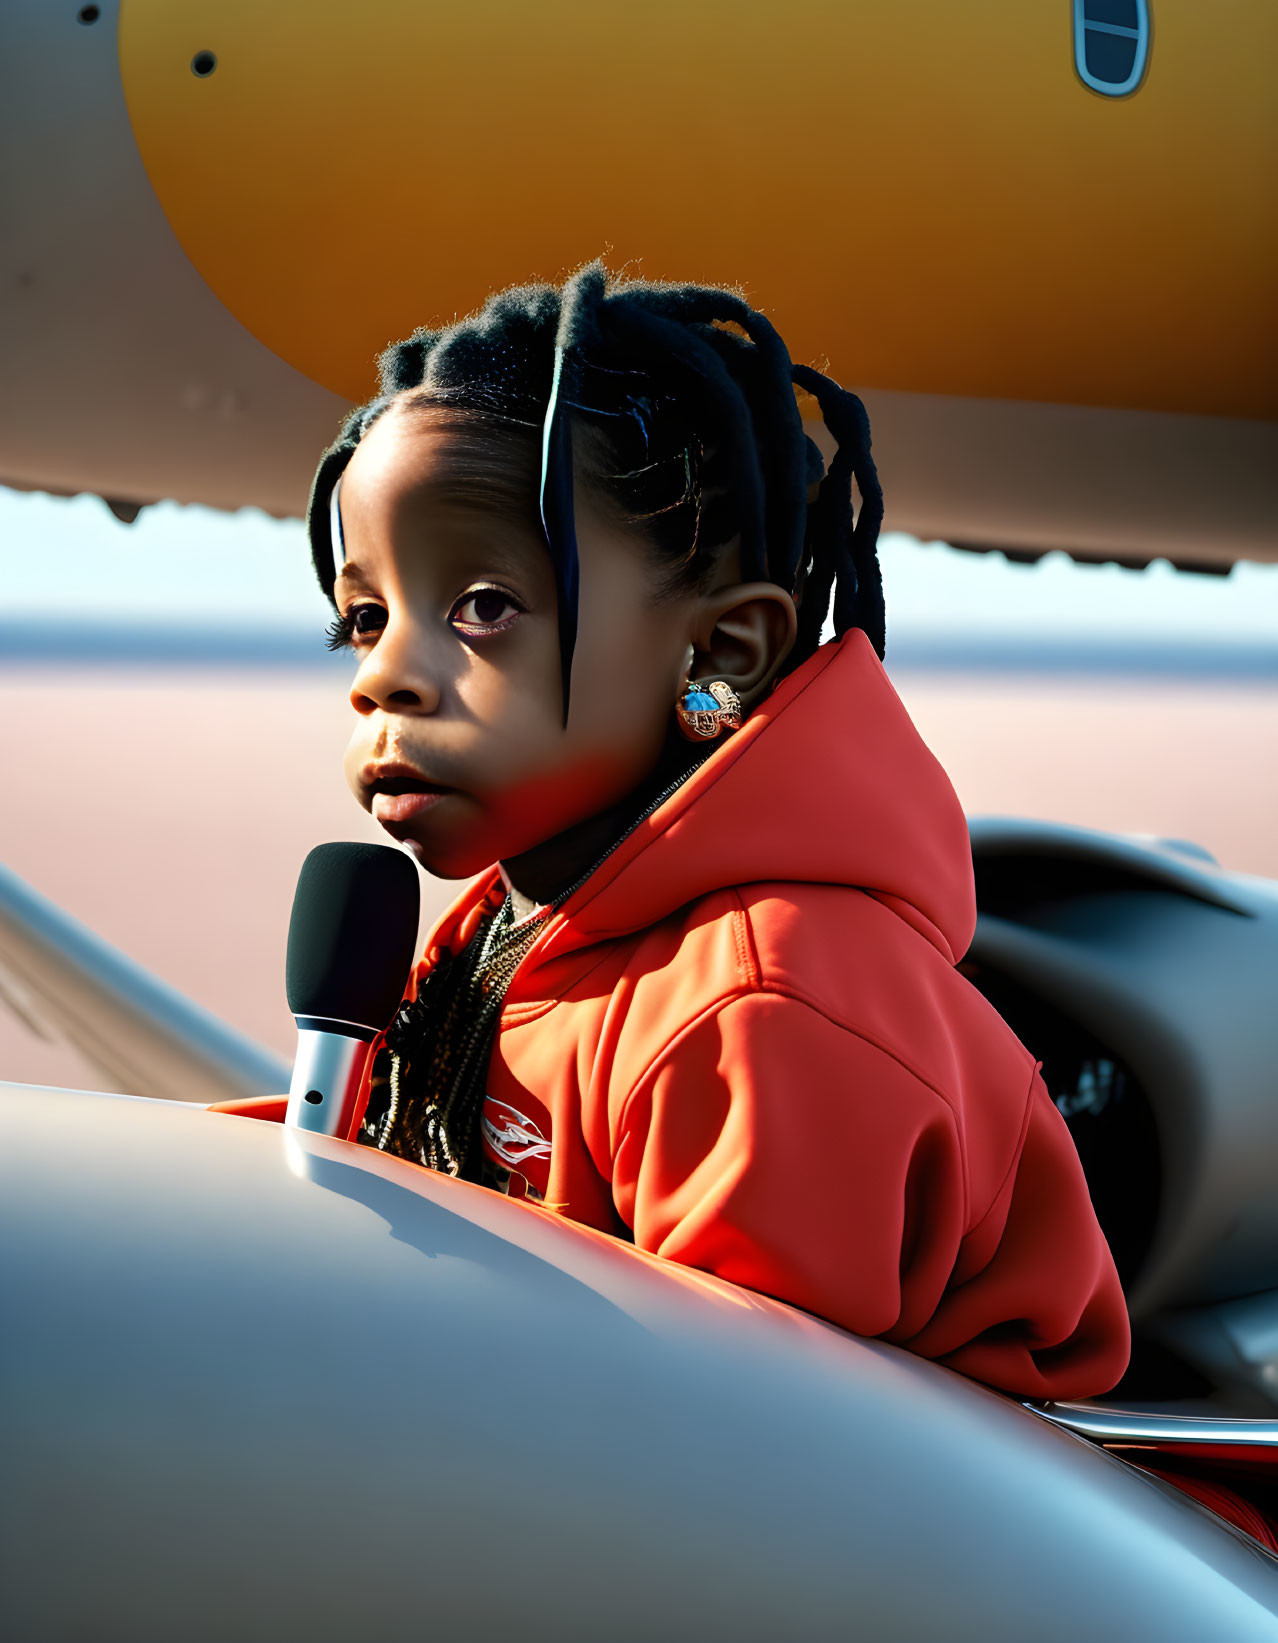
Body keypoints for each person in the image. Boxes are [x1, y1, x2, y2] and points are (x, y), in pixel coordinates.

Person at [298, 264, 1133, 1397]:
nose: (385, 676)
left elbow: (728, 1470)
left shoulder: (758, 1009)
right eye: (365, 617)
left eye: (483, 607)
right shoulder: (530, 930)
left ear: (722, 649)